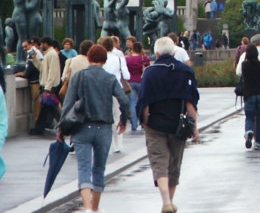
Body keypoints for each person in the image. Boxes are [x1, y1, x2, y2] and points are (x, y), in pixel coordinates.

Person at [57, 45, 129, 213]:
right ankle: (95, 207)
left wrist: (61, 128)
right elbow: (124, 101)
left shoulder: (79, 76)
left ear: (88, 58)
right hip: (104, 128)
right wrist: (123, 120)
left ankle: (87, 207)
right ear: (105, 60)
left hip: (82, 127)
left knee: (84, 167)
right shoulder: (110, 78)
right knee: (99, 169)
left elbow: (68, 103)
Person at [137, 36, 200, 213]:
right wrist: (194, 128)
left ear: (156, 53)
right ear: (173, 52)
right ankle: (170, 201)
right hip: (178, 124)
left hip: (155, 124)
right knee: (174, 164)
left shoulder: (150, 72)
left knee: (159, 162)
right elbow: (190, 102)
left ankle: (165, 201)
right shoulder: (185, 71)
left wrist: (145, 123)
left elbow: (144, 102)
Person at [240, 44, 260, 150]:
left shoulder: (244, 65)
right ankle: (259, 142)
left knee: (250, 117)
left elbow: (242, 75)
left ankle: (249, 131)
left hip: (249, 95)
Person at [125, 42, 150, 133]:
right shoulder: (145, 59)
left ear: (132, 49)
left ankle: (134, 124)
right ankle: (143, 122)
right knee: (142, 102)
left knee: (133, 102)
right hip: (141, 81)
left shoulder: (127, 59)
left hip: (131, 82)